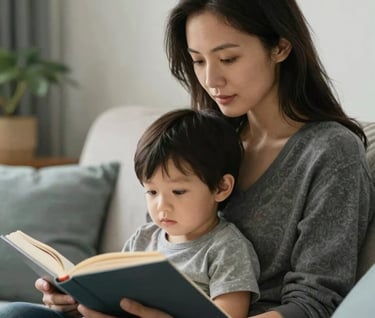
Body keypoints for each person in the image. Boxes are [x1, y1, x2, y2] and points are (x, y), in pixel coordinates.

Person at [1, 0, 374, 317]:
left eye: (228, 58)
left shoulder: (331, 151)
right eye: (197, 61)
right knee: (15, 313)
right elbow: (157, 247)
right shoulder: (203, 137)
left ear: (280, 47)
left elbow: (315, 301)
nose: (211, 79)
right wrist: (80, 296)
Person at [0, 108, 260, 318]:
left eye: (178, 192)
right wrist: (75, 299)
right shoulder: (144, 237)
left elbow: (229, 316)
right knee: (14, 312)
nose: (161, 206)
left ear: (221, 187)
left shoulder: (227, 249)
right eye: (151, 192)